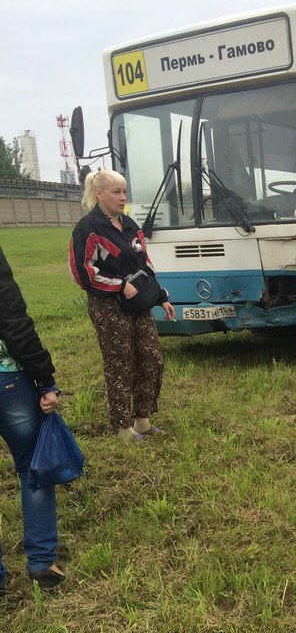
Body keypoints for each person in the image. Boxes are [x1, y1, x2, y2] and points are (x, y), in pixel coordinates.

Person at [69, 170, 175, 441]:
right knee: (120, 363)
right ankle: (122, 426)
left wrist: (160, 296)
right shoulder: (87, 229)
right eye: (116, 192)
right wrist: (117, 285)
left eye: (124, 192)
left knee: (151, 358)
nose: (122, 197)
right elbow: (82, 273)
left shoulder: (129, 225)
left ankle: (142, 419)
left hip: (139, 302)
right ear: (99, 194)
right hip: (108, 307)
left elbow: (145, 264)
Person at [0, 247, 65, 590]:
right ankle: (41, 562)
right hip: (6, 378)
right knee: (31, 468)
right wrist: (44, 378)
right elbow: (12, 317)